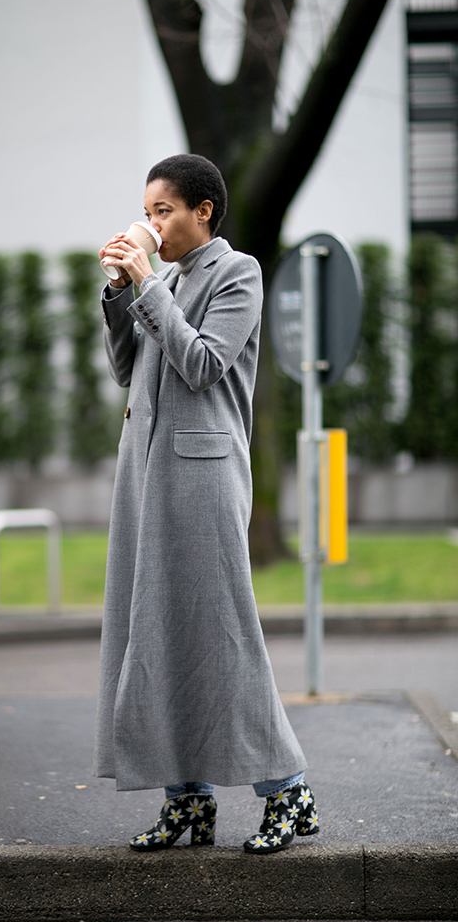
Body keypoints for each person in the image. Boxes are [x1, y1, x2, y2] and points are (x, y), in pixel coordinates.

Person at [93, 154, 318, 854]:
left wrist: (149, 283)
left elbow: (202, 364)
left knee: (223, 634)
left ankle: (290, 792)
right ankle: (186, 801)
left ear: (203, 212)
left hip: (203, 479)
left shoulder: (237, 274)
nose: (153, 222)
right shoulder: (170, 281)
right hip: (147, 476)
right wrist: (116, 295)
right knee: (153, 632)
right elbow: (131, 367)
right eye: (148, 211)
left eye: (163, 211)